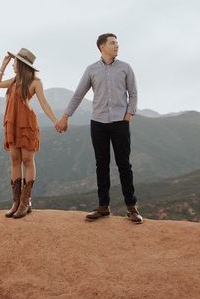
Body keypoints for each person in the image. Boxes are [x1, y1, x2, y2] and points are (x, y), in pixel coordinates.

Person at [55, 33, 143, 224]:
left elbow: (133, 94)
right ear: (102, 47)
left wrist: (129, 114)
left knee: (124, 165)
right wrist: (65, 117)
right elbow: (78, 95)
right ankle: (103, 207)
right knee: (101, 165)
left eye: (117, 43)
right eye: (112, 43)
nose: (117, 46)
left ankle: (132, 207)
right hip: (98, 123)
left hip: (120, 122)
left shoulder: (125, 68)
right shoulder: (91, 70)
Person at [0, 48, 57, 219]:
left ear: (21, 64)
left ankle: (25, 201)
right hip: (12, 123)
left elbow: (44, 104)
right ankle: (15, 202)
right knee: (15, 159)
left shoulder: (35, 82)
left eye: (14, 62)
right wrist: (3, 64)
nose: (13, 64)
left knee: (28, 160)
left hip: (27, 124)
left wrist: (56, 121)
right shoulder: (14, 80)